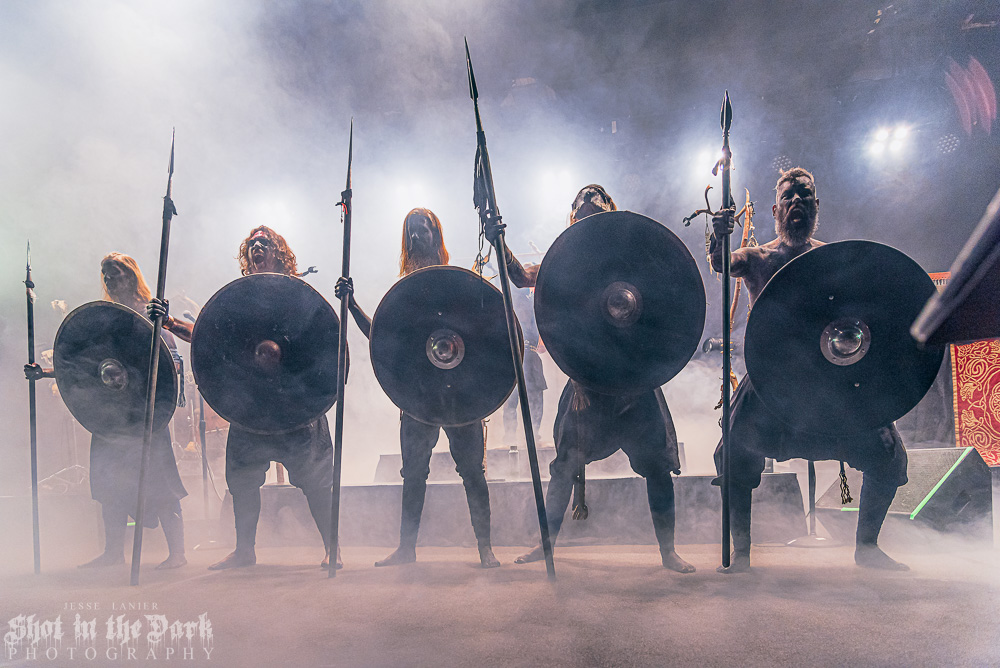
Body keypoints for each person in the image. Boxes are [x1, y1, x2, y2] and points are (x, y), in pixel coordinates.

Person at [487, 185, 695, 573]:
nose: (589, 203)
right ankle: (545, 544)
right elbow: (520, 277)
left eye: (597, 198)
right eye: (582, 201)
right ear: (572, 216)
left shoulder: (631, 256)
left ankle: (668, 552)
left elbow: (670, 288)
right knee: (565, 465)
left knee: (657, 467)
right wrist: (498, 240)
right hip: (588, 381)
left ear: (611, 209)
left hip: (636, 381)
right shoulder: (566, 262)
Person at [710, 167, 909, 572]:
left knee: (889, 454)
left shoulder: (833, 260)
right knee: (731, 451)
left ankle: (867, 548)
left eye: (804, 195)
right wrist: (719, 235)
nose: (796, 201)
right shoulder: (756, 257)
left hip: (832, 381)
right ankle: (742, 551)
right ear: (775, 208)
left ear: (816, 206)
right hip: (771, 381)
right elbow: (721, 263)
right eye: (789, 196)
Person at [151, 226, 340, 570]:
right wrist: (170, 323)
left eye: (264, 242)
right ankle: (244, 551)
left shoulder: (295, 295)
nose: (257, 247)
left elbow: (322, 343)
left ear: (279, 251)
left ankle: (333, 548)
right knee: (242, 479)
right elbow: (211, 336)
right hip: (253, 407)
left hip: (294, 406)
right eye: (252, 244)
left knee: (314, 482)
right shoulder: (240, 301)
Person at [335, 207, 500, 568]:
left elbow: (488, 334)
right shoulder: (404, 296)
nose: (415, 236)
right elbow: (379, 336)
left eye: (422, 230)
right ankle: (406, 549)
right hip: (420, 398)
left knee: (472, 472)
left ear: (435, 235)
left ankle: (485, 548)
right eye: (410, 232)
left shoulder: (458, 284)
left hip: (460, 394)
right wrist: (351, 305)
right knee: (413, 474)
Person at [25, 253, 187, 570]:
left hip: (144, 416)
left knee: (161, 486)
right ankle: (113, 553)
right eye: (105, 274)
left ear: (131, 275)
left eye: (116, 273)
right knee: (109, 487)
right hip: (110, 415)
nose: (110, 280)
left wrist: (160, 323)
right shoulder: (103, 320)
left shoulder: (150, 314)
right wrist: (44, 372)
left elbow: (170, 362)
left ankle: (178, 554)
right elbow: (83, 368)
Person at [501, 286, 546, 446]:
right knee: (514, 401)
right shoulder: (509, 306)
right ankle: (516, 436)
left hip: (523, 358)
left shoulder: (528, 305)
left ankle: (526, 435)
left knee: (529, 402)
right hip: (516, 357)